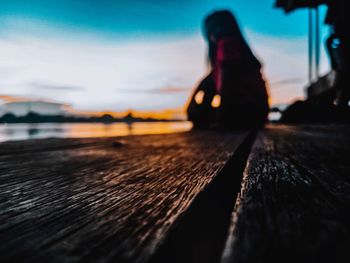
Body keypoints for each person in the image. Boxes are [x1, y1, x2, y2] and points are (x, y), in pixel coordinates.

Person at [187, 10, 269, 129]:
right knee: (206, 93)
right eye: (211, 30)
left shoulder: (227, 45)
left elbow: (227, 86)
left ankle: (219, 118)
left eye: (220, 27)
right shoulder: (223, 60)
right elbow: (205, 84)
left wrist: (221, 120)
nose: (215, 33)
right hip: (257, 114)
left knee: (198, 115)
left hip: (246, 113)